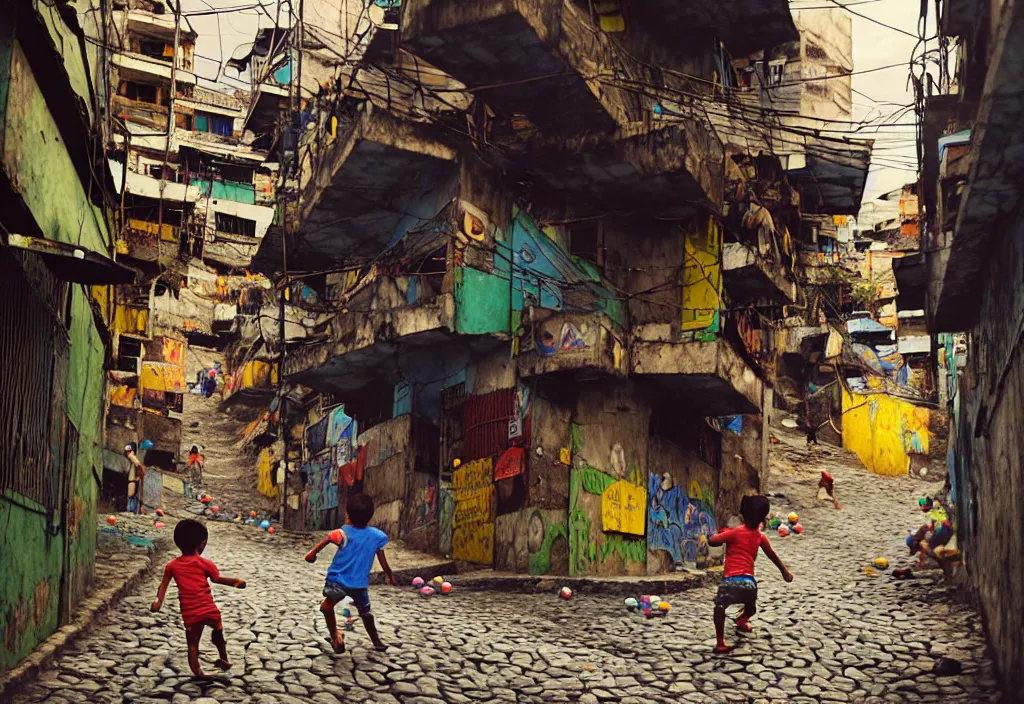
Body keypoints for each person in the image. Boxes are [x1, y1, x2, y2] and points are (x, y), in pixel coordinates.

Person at [151, 519, 246, 678]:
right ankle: (223, 657)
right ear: (202, 544)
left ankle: (198, 671)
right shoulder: (205, 563)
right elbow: (217, 579)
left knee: (192, 642)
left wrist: (158, 603)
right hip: (208, 608)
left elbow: (163, 586)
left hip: (189, 612)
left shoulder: (172, 566)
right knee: (218, 629)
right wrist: (236, 582)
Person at [305, 494, 398, 653]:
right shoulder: (376, 536)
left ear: (347, 515)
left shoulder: (342, 533)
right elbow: (383, 560)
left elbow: (326, 540)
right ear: (370, 516)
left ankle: (335, 635)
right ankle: (376, 641)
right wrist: (390, 575)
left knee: (327, 607)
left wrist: (311, 555)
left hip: (337, 581)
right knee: (366, 614)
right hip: (359, 585)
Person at [708, 495, 794, 653]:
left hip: (731, 582)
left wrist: (720, 534)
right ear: (763, 518)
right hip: (749, 584)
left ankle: (720, 642)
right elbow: (772, 556)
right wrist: (785, 572)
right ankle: (741, 621)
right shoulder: (761, 537)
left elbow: (713, 540)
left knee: (719, 607)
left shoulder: (735, 532)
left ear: (743, 514)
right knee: (751, 608)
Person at [125, 443, 146, 514]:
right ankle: (132, 510)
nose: (127, 453)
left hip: (132, 481)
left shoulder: (132, 457)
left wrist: (140, 473)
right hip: (132, 481)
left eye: (129, 451)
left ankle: (131, 510)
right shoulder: (130, 459)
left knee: (131, 496)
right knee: (131, 496)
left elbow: (138, 464)